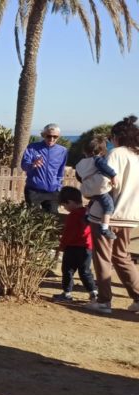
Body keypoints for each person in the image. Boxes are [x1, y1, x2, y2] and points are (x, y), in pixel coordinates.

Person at [85, 115, 139, 315]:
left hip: (107, 215)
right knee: (122, 256)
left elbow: (103, 183)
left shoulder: (115, 154)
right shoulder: (136, 155)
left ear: (116, 137)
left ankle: (104, 301)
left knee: (103, 257)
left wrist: (86, 189)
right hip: (130, 215)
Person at [54, 186, 98, 302]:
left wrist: (62, 245)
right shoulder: (88, 213)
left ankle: (67, 293)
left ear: (70, 202)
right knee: (85, 271)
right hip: (87, 247)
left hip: (72, 247)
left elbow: (68, 233)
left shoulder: (73, 216)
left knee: (67, 270)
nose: (65, 208)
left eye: (64, 205)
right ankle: (93, 292)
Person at [74, 136, 117, 240]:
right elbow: (105, 168)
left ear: (84, 151)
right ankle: (104, 228)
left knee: (93, 200)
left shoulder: (80, 163)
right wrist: (113, 176)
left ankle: (87, 215)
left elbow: (78, 176)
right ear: (101, 151)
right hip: (99, 189)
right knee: (108, 206)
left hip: (87, 190)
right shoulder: (97, 160)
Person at [20, 123, 68, 214]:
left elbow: (60, 171)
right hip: (34, 190)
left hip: (52, 192)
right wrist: (32, 165)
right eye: (49, 136)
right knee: (33, 218)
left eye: (55, 136)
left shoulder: (62, 151)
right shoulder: (33, 147)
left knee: (52, 218)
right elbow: (23, 165)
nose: (52, 139)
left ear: (58, 137)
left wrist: (58, 187)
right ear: (43, 135)